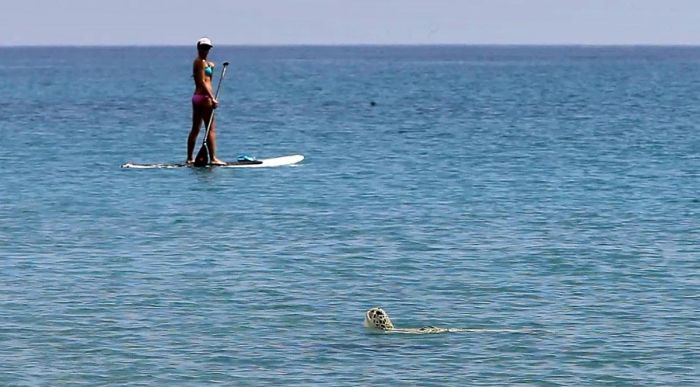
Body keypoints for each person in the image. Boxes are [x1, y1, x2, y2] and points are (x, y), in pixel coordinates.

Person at [187, 37, 225, 165]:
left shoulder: (203, 62)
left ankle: (189, 158)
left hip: (197, 98)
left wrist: (211, 69)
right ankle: (213, 158)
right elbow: (202, 82)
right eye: (203, 48)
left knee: (196, 129)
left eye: (207, 48)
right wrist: (212, 98)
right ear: (198, 48)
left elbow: (209, 80)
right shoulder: (200, 62)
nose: (205, 50)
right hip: (204, 98)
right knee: (210, 129)